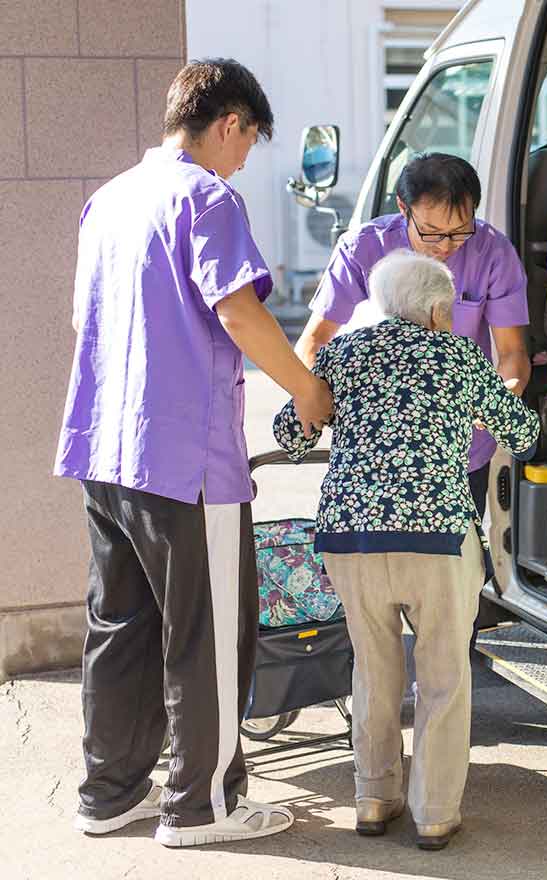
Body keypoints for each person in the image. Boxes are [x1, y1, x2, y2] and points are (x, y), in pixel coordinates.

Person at [53, 59, 333, 846]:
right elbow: (238, 313)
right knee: (206, 635)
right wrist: (308, 392)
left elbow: (86, 325)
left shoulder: (107, 200)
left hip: (106, 452)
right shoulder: (207, 196)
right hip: (186, 459)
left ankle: (110, 794)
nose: (245, 159)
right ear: (228, 123)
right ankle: (203, 806)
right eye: (249, 141)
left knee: (120, 627)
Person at [273, 250, 539, 849]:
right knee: (443, 675)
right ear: (440, 310)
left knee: (373, 666)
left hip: (352, 539)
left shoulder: (343, 353)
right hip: (437, 539)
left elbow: (291, 434)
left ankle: (373, 798)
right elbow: (521, 434)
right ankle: (436, 813)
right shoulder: (459, 357)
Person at [294, 153, 531, 522]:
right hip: (371, 460)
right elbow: (312, 344)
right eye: (432, 233)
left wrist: (499, 399)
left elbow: (513, 354)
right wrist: (320, 401)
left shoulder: (493, 253)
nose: (447, 246)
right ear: (403, 208)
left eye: (460, 231)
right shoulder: (362, 249)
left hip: (458, 455)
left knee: (458, 570)